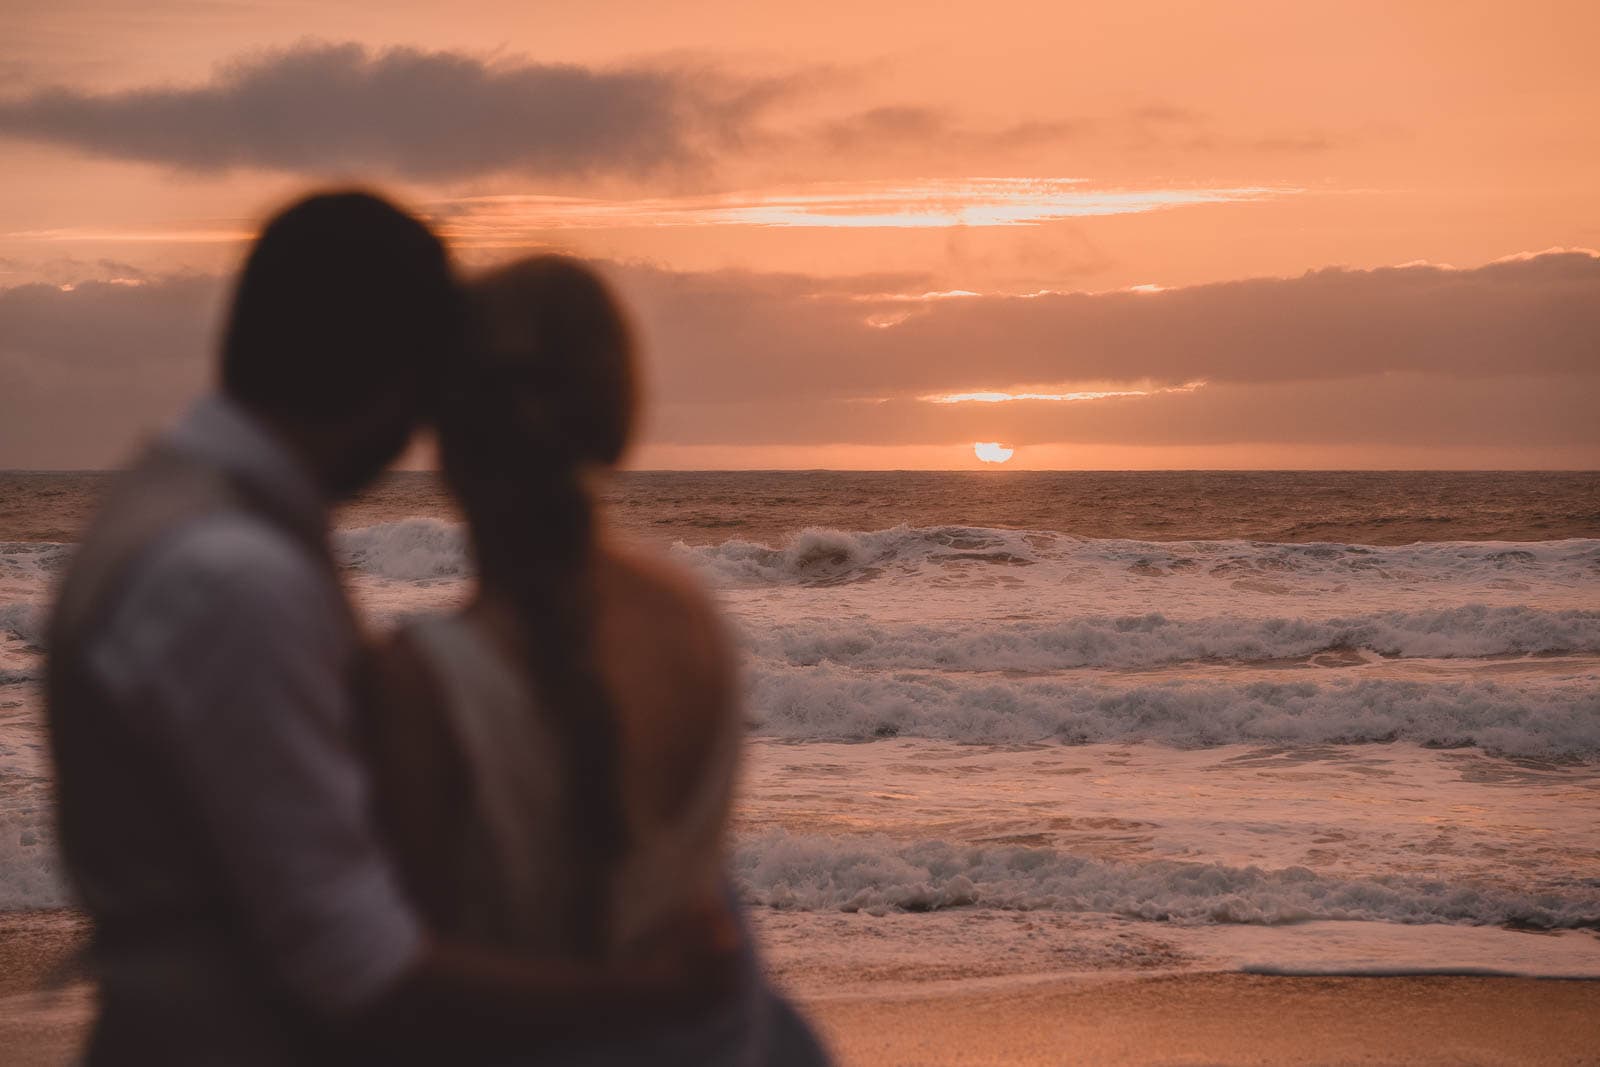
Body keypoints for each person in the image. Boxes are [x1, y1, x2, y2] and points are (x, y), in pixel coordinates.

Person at [46, 193, 734, 1066]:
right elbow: (358, 969)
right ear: (397, 379)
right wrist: (654, 997)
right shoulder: (239, 582)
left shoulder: (168, 519)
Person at [363, 255, 832, 1065]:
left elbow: (408, 993)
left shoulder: (420, 678)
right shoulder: (694, 617)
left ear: (442, 434)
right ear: (619, 419)